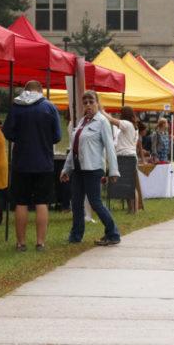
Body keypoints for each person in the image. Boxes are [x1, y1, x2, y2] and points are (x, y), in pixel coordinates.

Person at [2, 80, 62, 252]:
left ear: (25, 91)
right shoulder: (49, 107)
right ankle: (40, 242)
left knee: (21, 202)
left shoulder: (16, 106)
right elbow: (57, 136)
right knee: (42, 202)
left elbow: (7, 132)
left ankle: (21, 243)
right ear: (41, 91)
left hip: (21, 162)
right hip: (44, 162)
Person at [60, 91, 121, 246]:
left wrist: (113, 170)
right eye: (85, 102)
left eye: (91, 101)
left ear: (97, 103)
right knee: (76, 203)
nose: (88, 105)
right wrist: (66, 169)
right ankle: (76, 236)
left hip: (93, 168)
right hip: (78, 168)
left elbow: (110, 147)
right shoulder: (81, 122)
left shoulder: (102, 122)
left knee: (95, 202)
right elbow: (74, 148)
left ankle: (113, 233)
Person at [102, 106, 144, 211]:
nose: (119, 115)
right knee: (129, 184)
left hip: (126, 157)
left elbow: (111, 120)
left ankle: (133, 210)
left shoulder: (127, 124)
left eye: (121, 113)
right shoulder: (133, 126)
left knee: (129, 185)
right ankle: (132, 209)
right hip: (129, 156)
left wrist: (101, 111)